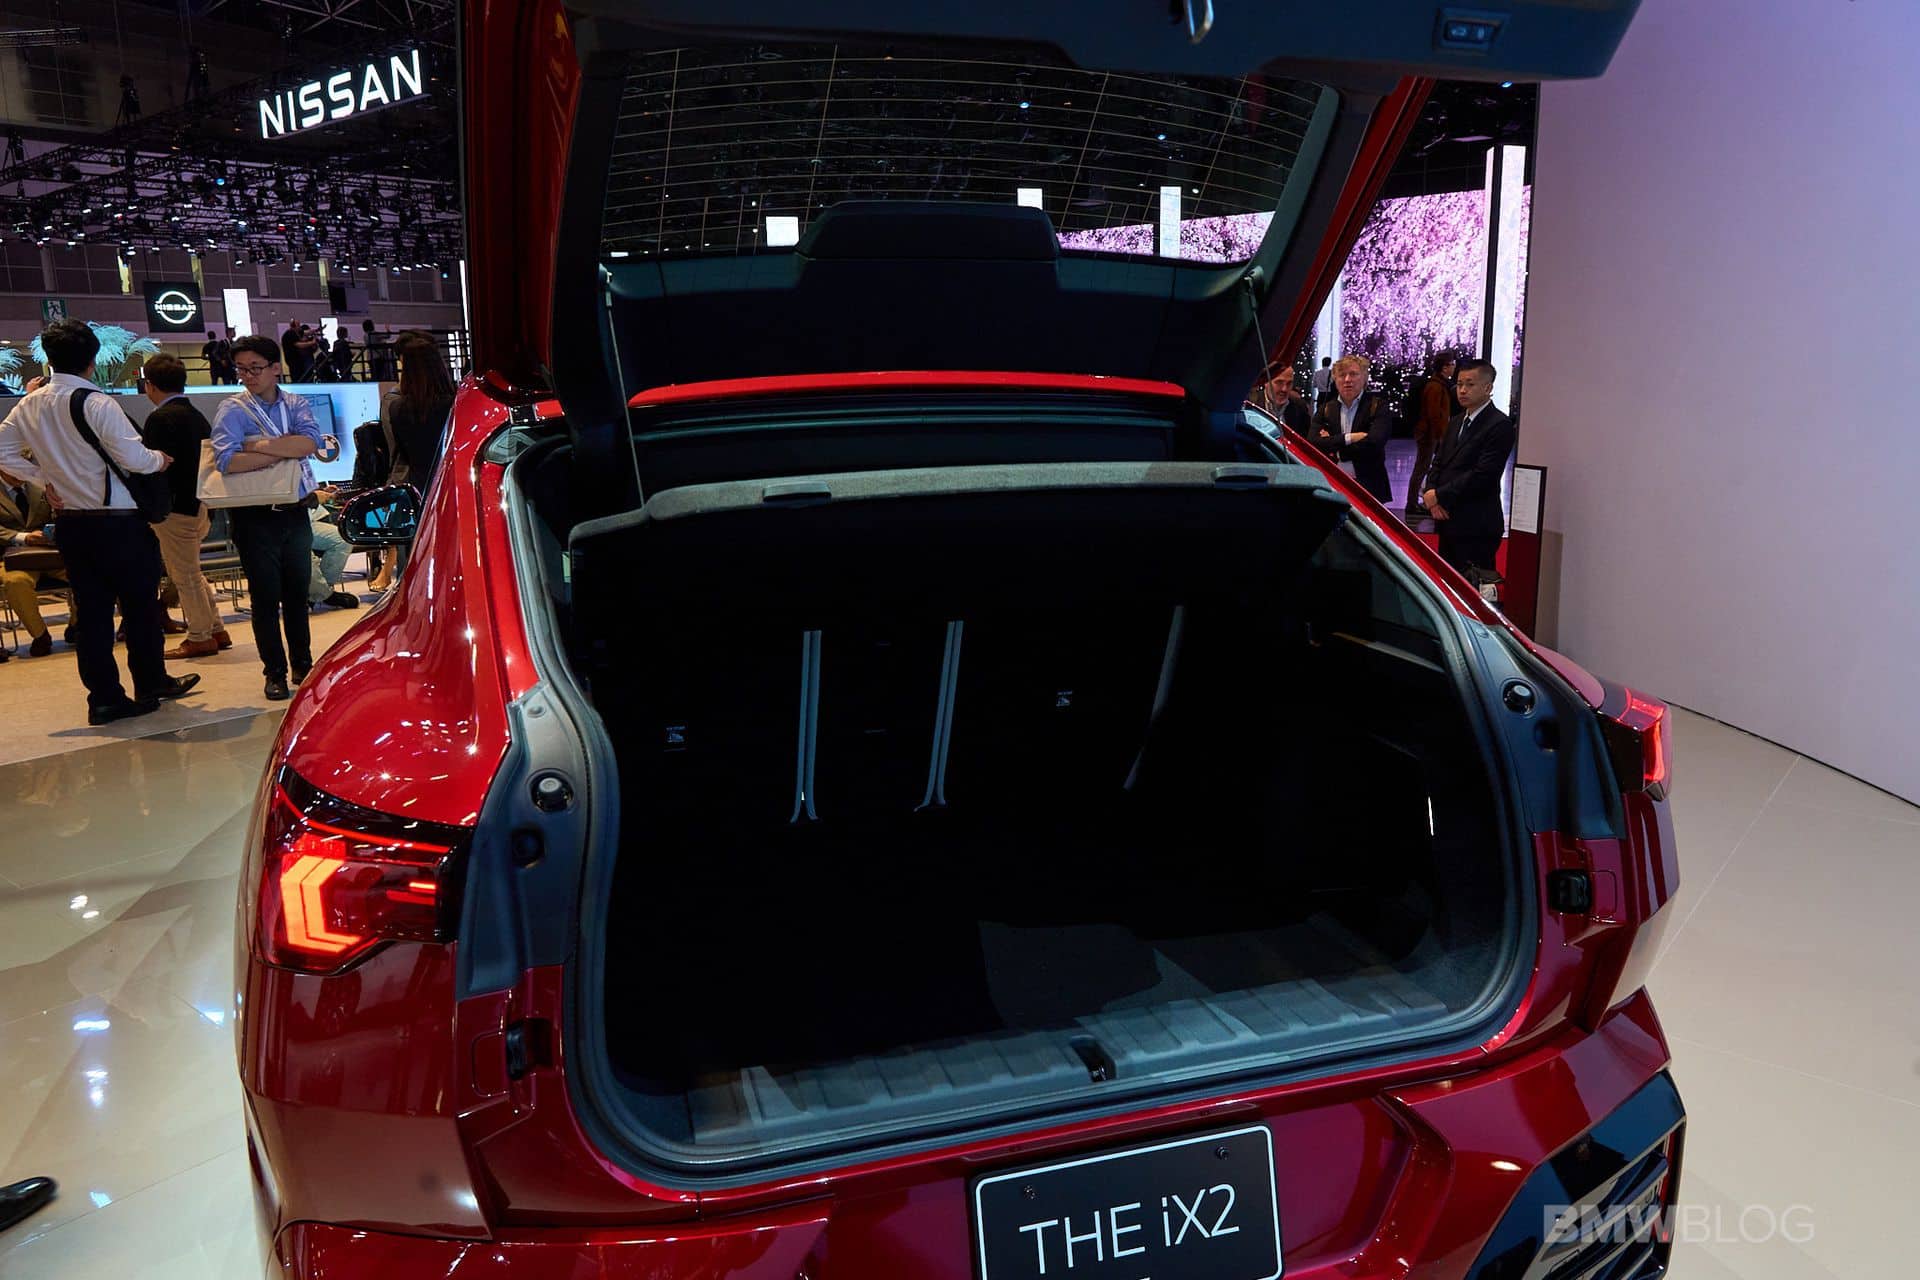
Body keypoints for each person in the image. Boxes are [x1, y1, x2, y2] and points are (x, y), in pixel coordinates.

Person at [0, 320, 202, 723]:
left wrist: (44, 480)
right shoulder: (97, 403)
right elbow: (134, 459)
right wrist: (159, 459)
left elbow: (2, 450)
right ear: (92, 360)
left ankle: (105, 698)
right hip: (120, 524)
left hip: (72, 525)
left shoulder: (29, 404)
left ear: (49, 359)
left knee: (92, 614)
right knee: (140, 609)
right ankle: (151, 683)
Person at [214, 335, 325, 701]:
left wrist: (256, 445)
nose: (248, 376)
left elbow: (309, 444)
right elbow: (227, 461)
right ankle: (274, 672)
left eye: (255, 368)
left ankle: (302, 665)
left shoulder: (295, 403)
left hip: (295, 511)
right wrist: (282, 450)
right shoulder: (233, 409)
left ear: (276, 368)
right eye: (242, 369)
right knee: (264, 599)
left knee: (297, 595)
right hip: (254, 517)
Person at [137, 355, 232, 659]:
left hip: (174, 508)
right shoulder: (196, 415)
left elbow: (153, 467)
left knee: (185, 575)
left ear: (150, 385)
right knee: (192, 572)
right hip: (199, 504)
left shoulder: (160, 419)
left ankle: (200, 636)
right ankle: (215, 628)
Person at [1421, 358, 1517, 581]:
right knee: (1447, 584)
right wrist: (1432, 495)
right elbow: (1439, 462)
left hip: (1477, 523)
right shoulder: (1456, 421)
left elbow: (1483, 475)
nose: (1462, 390)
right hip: (1446, 518)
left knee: (1474, 586)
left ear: (1487, 387)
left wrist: (1439, 495)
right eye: (1460, 384)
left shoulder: (1499, 425)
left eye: (1470, 384)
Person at [1308, 354, 1396, 504]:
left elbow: (1374, 443)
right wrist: (1349, 438)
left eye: (1353, 374)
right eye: (1342, 375)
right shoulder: (1326, 409)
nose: (1347, 379)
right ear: (1335, 380)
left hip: (1369, 487)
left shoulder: (1378, 407)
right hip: (1332, 487)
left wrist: (1336, 450)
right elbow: (1313, 442)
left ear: (1364, 378)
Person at [1, 468, 57, 657]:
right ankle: (40, 635)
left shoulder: (41, 485)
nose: (19, 473)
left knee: (86, 571)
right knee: (16, 582)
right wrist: (23, 537)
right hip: (11, 558)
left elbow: (57, 514)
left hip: (48, 553)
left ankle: (77, 625)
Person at [1406, 352, 1457, 517]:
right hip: (1429, 434)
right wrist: (1441, 436)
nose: (1454, 367)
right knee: (1421, 468)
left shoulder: (1439, 384)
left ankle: (1416, 502)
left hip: (1430, 433)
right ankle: (1412, 503)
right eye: (1452, 364)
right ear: (1444, 367)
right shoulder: (1435, 386)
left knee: (1423, 467)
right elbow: (1434, 414)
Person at [307, 490, 359, 610]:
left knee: (343, 538)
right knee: (304, 552)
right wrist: (313, 498)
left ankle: (321, 591)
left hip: (308, 519)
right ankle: (325, 594)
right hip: (280, 523)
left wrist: (321, 492)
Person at [1249, 360, 1310, 433]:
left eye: (1289, 383)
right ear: (1266, 382)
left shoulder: (1300, 407)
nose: (1284, 389)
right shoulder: (1251, 405)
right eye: (1279, 382)